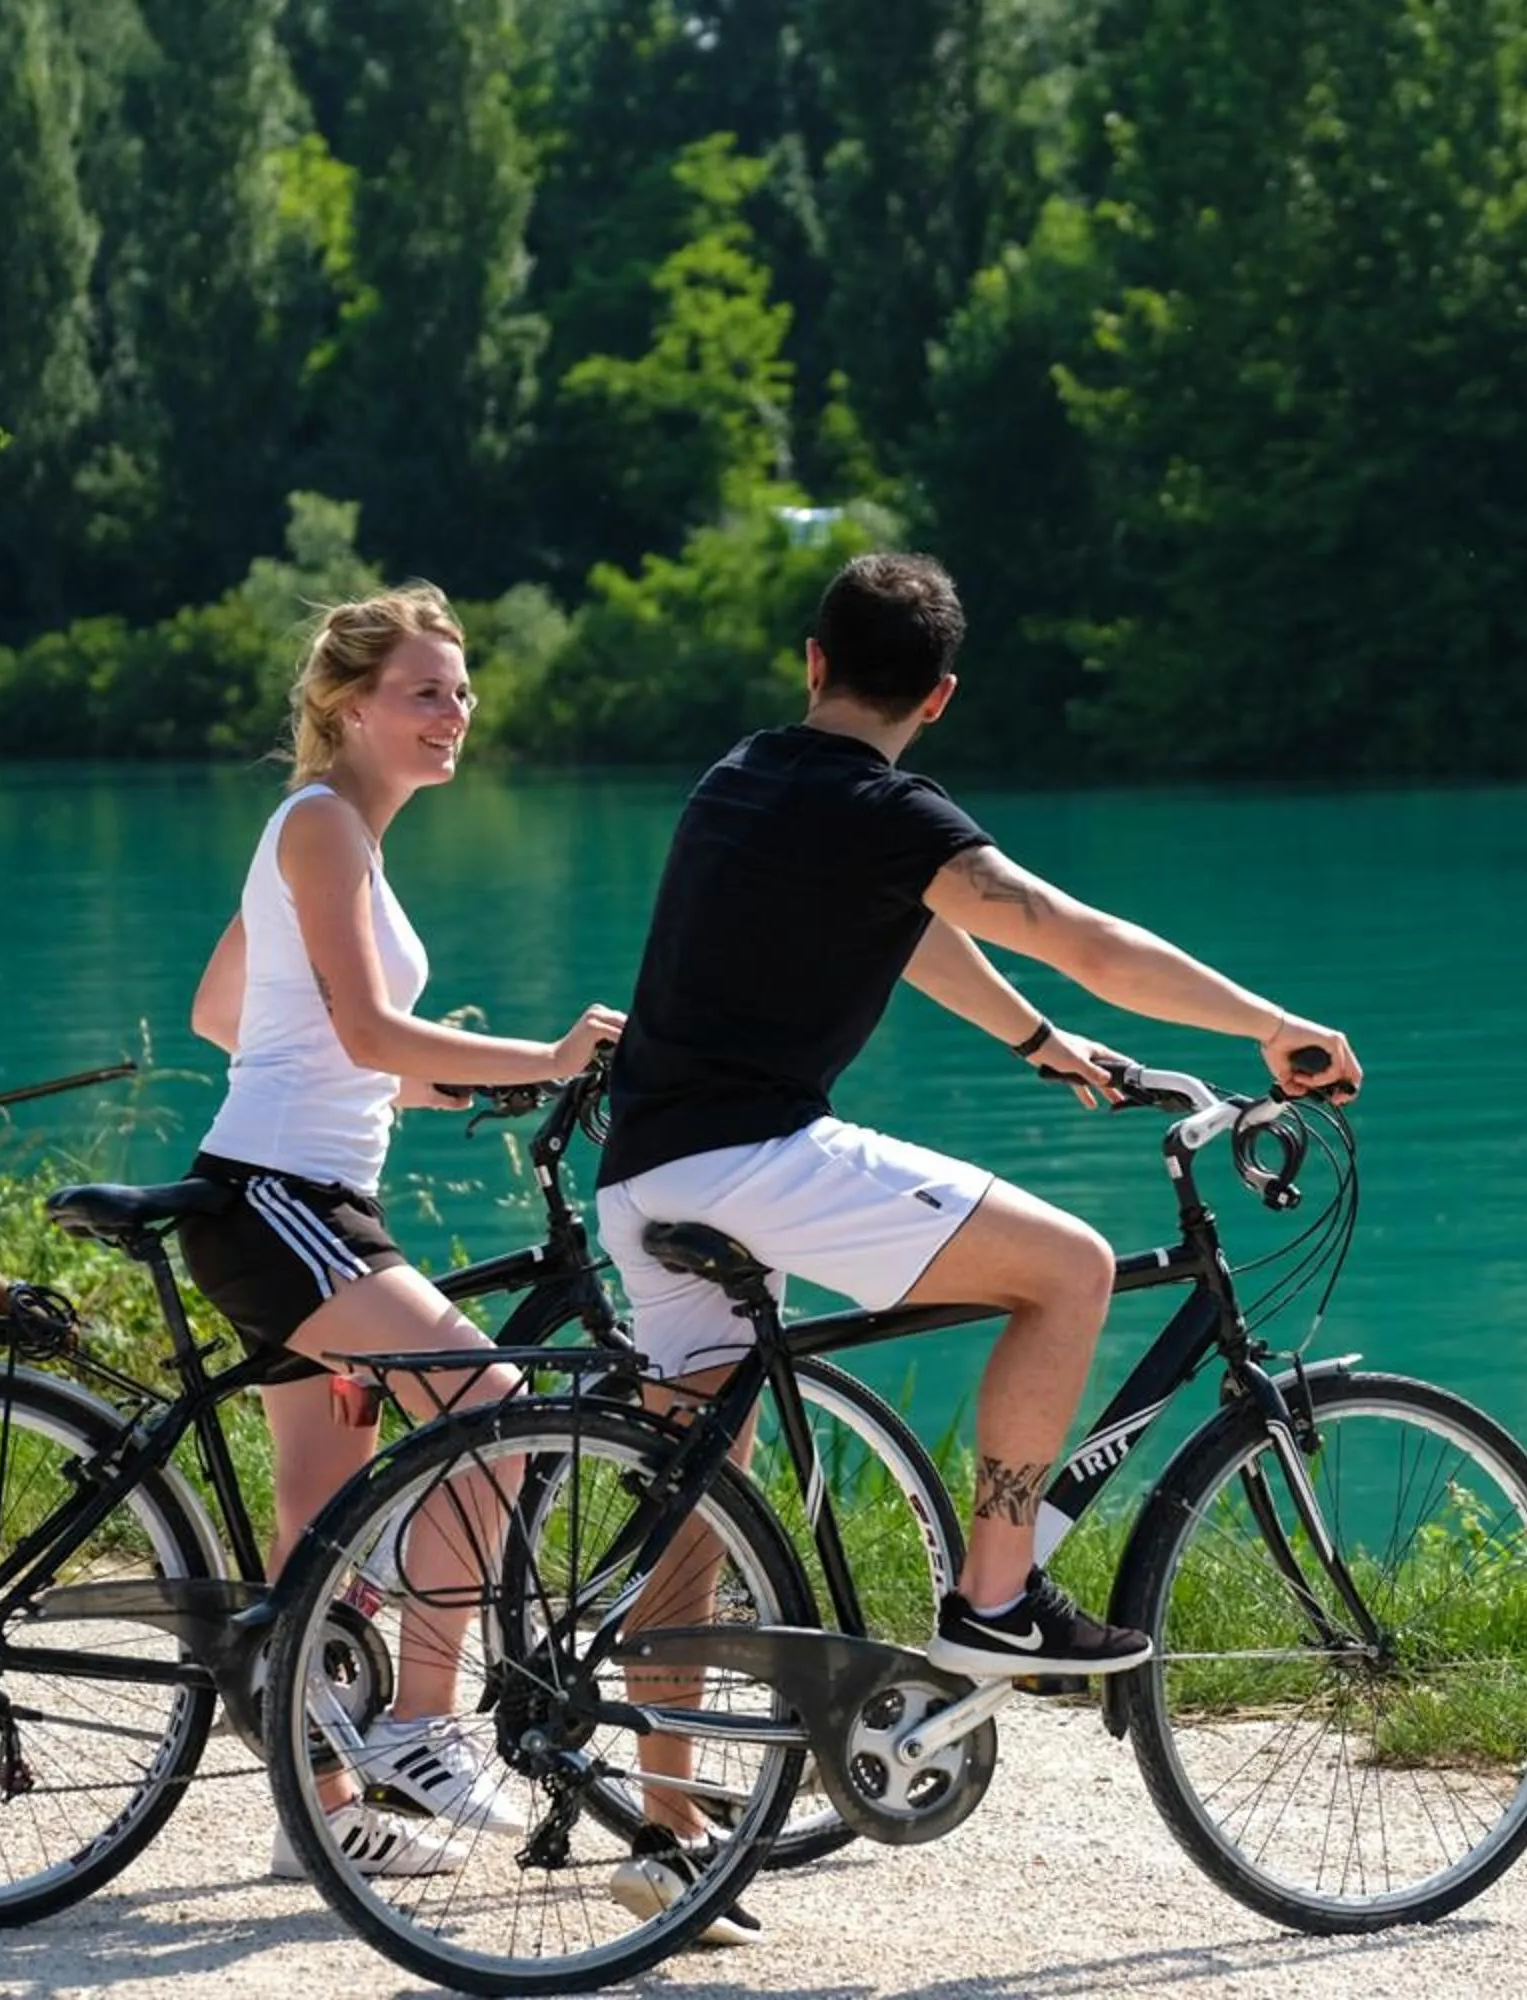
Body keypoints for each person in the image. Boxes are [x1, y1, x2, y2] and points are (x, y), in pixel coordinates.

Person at [591, 550, 1362, 1912]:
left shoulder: (743, 776)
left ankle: (669, 1833)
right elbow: (1078, 932)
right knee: (1066, 1269)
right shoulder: (893, 810)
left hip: (645, 1174)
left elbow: (918, 925)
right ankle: (994, 1598)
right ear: (940, 697)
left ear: (812, 661)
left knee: (699, 1488)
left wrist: (1037, 1040)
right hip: (758, 1157)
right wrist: (1270, 1027)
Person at [182, 584, 629, 1885]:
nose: (455, 714)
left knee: (317, 1509)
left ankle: (308, 1811)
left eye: (463, 691)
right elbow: (369, 1036)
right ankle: (424, 1723)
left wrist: (489, 1083)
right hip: (283, 1206)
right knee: (491, 1412)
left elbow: (232, 1011)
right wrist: (541, 1055)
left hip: (280, 1198)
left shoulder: (335, 843)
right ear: (350, 707)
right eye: (426, 692)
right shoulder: (320, 825)